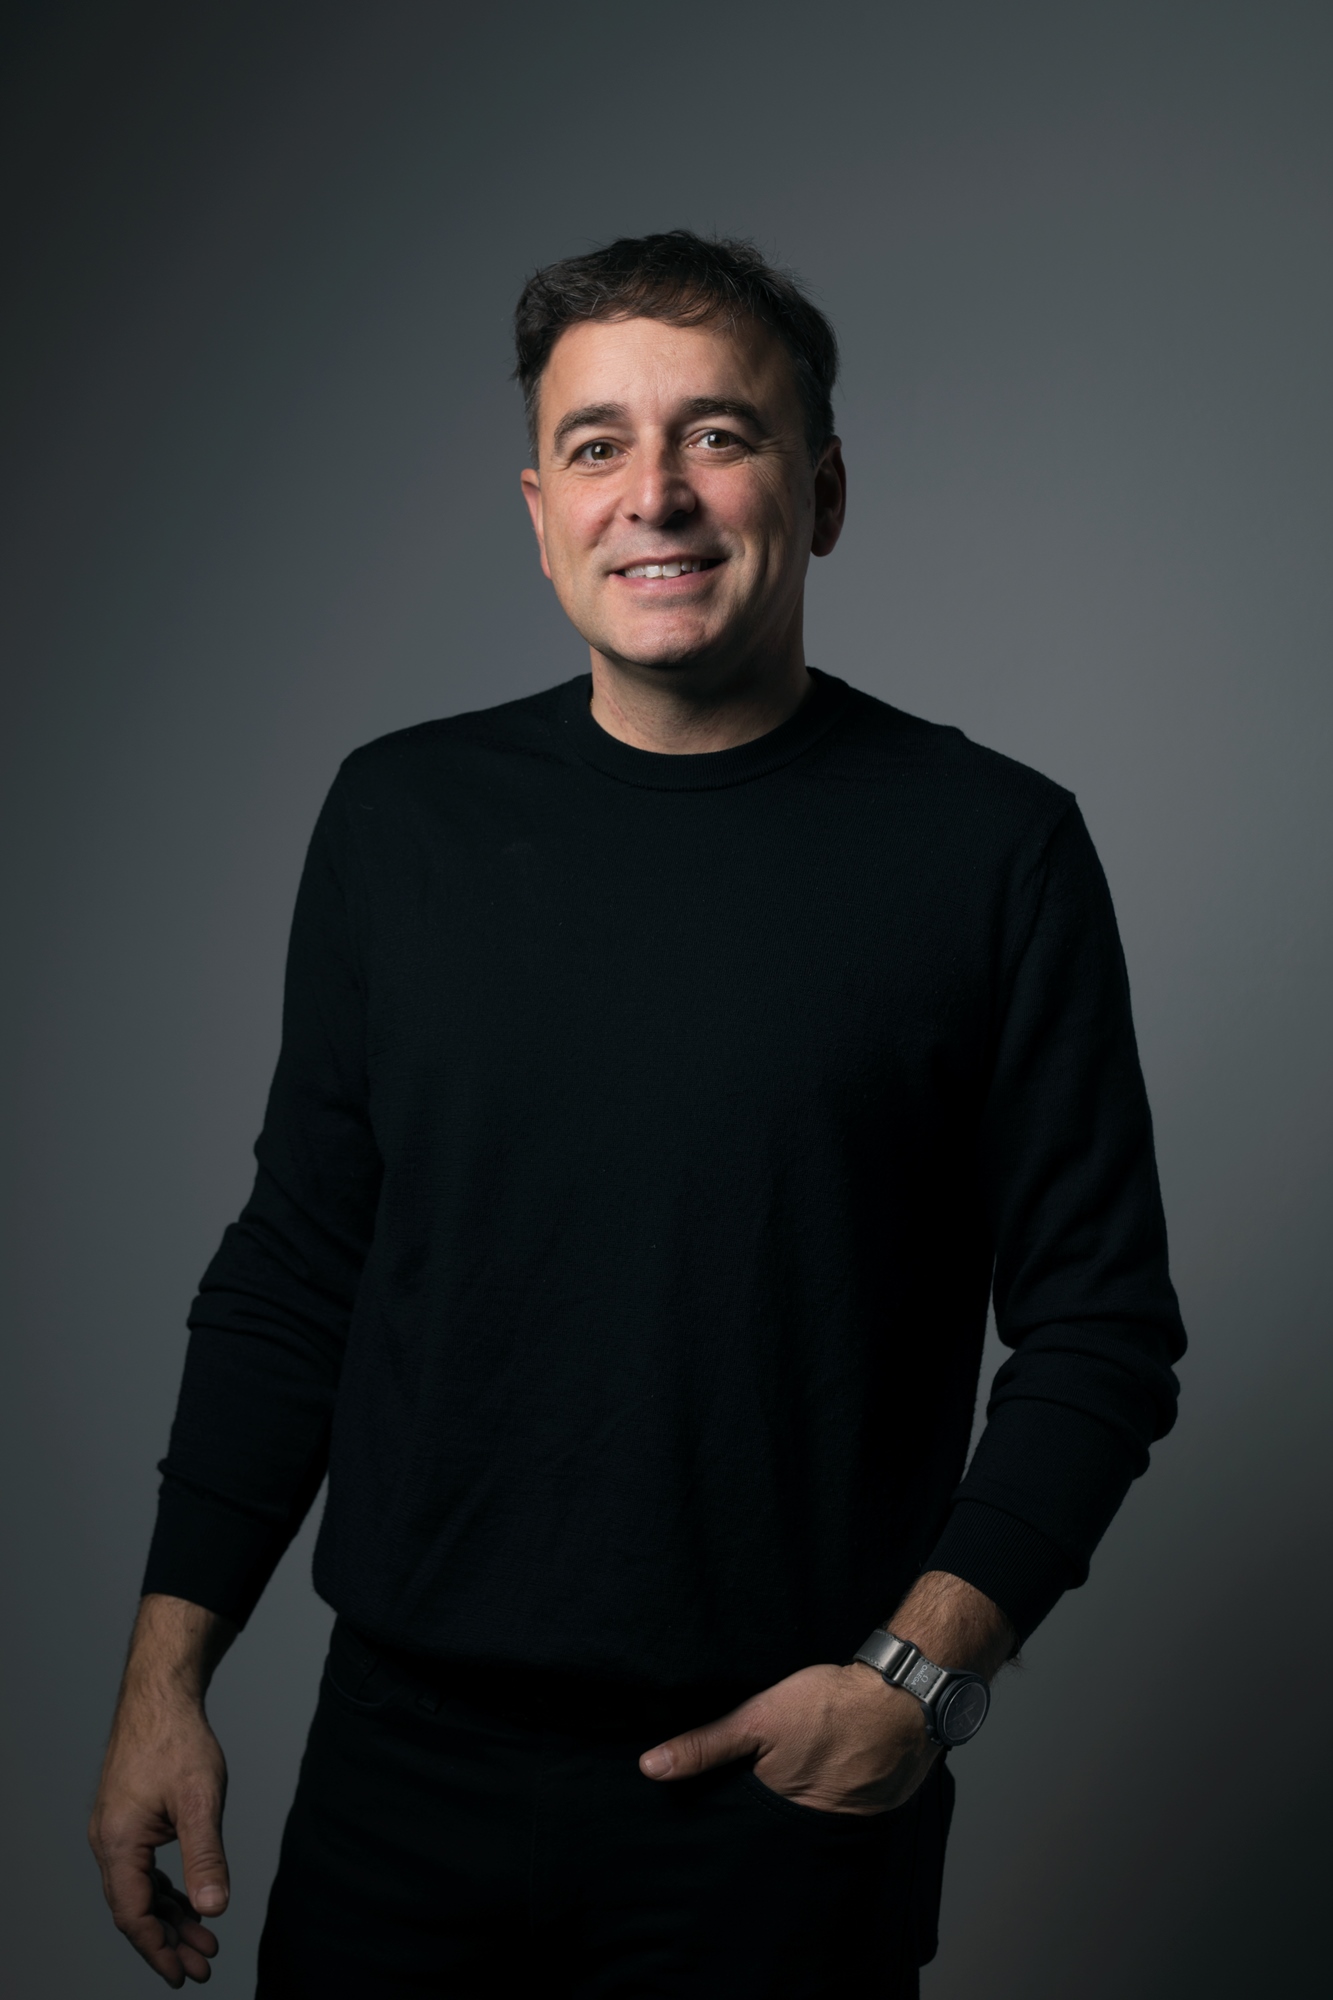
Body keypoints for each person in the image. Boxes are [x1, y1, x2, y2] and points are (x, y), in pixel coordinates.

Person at [89, 230, 1185, 1998]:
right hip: (399, 1780)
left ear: (821, 492)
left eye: (718, 436)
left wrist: (917, 1681)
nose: (654, 495)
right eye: (595, 446)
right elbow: (296, 1269)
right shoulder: (401, 822)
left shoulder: (993, 851)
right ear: (542, 514)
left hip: (778, 1798)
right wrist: (166, 1677)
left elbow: (1101, 1328)